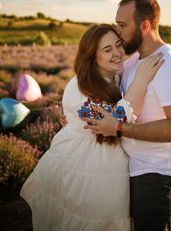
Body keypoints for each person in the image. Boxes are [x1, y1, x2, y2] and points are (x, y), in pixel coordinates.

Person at [20, 23, 163, 231]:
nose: (117, 53)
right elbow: (116, 120)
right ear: (91, 56)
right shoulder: (78, 88)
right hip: (82, 167)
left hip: (108, 165)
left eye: (118, 45)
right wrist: (141, 80)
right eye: (107, 49)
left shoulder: (113, 76)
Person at [84, 0, 171, 231]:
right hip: (135, 167)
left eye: (122, 25)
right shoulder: (133, 59)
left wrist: (120, 128)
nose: (116, 31)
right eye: (116, 24)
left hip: (158, 172)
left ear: (144, 26)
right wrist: (74, 117)